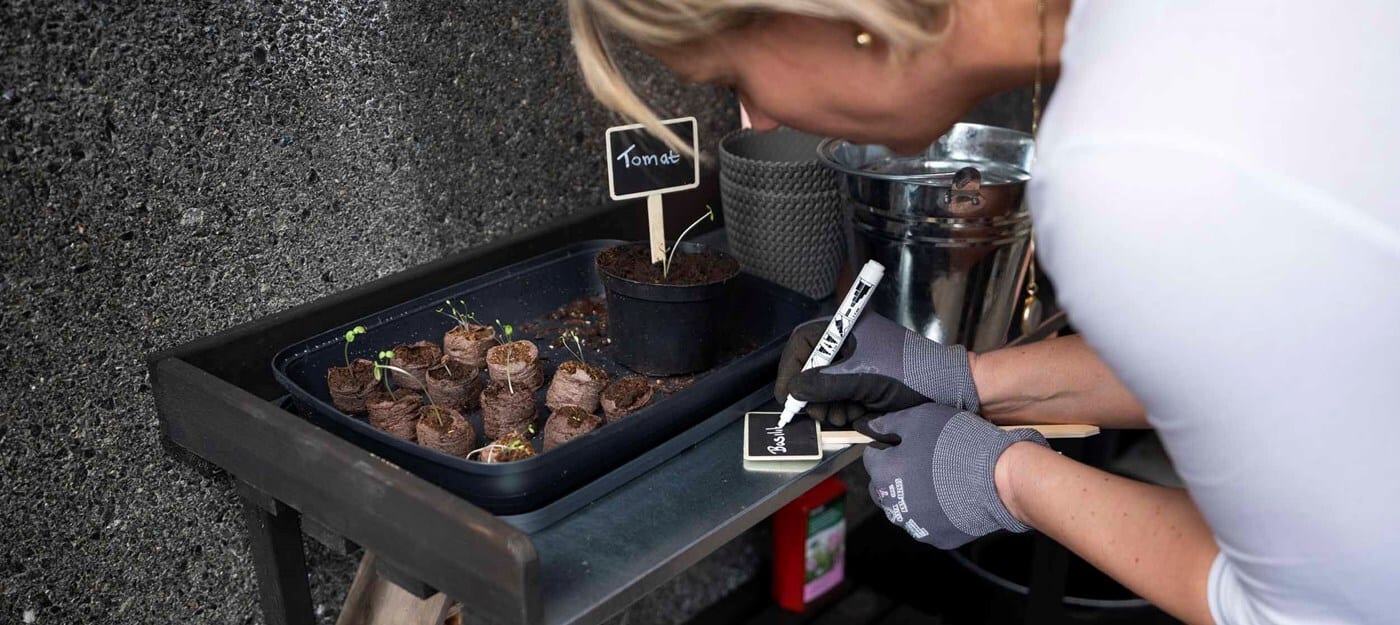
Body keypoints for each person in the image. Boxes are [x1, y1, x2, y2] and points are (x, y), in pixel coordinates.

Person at [567, 1, 1400, 623]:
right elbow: (1272, 356)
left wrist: (1010, 477)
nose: (764, 118)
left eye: (732, 77)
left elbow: (1314, 606)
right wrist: (965, 377)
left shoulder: (1134, 170)